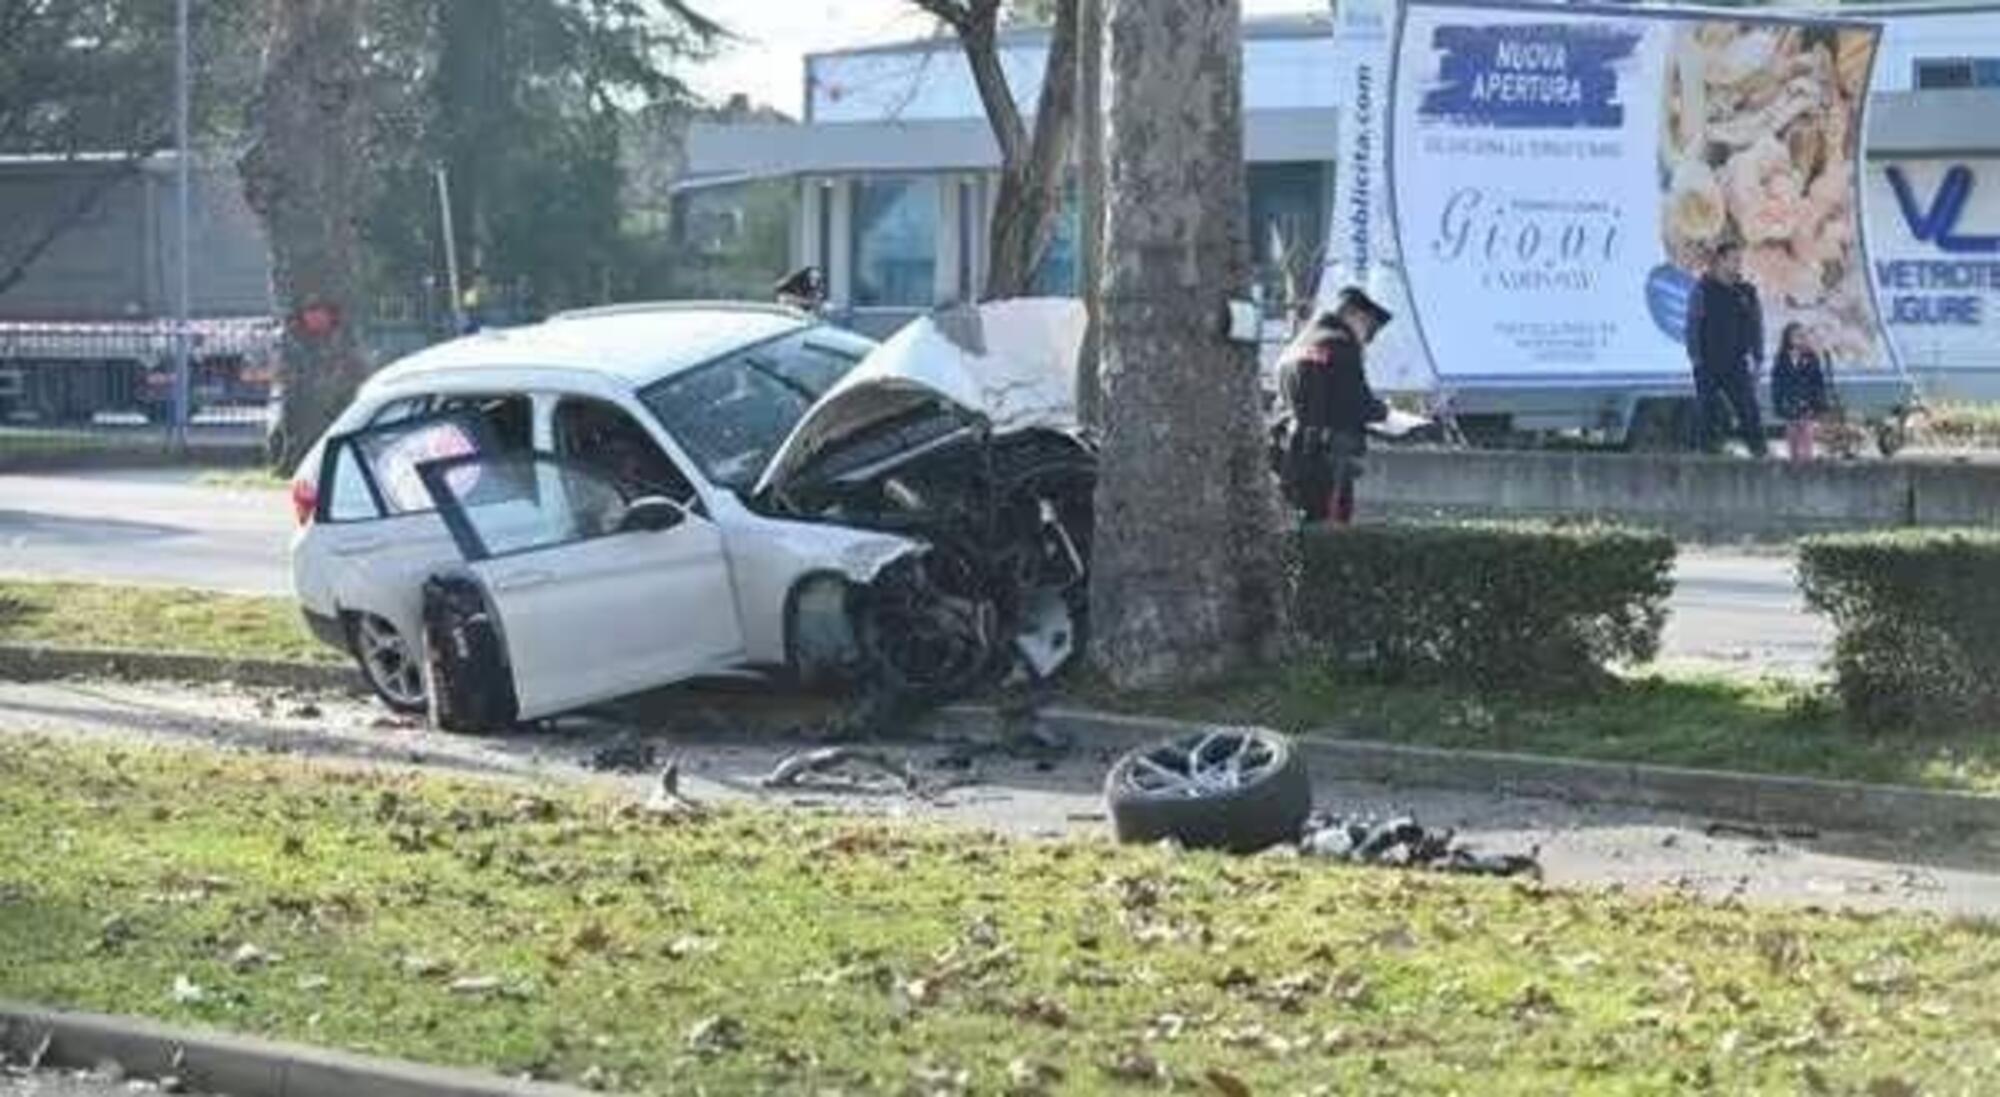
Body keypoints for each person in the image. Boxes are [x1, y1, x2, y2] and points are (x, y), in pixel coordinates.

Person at [1278, 287, 1392, 527]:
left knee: (1294, 531)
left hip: (1290, 456)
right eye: (1369, 332)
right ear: (1355, 317)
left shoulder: (1297, 345)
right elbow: (1358, 403)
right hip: (1328, 463)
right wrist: (1386, 412)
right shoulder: (1341, 346)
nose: (1367, 341)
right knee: (1330, 533)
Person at [1683, 241, 1769, 457]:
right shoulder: (1702, 289)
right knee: (1707, 412)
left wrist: (1758, 357)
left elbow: (1755, 324)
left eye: (1739, 260)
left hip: (1737, 362)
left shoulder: (1746, 292)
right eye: (1733, 260)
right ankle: (1708, 456)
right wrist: (1696, 359)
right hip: (1708, 361)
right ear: (1720, 261)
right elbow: (1693, 324)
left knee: (1749, 409)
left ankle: (1760, 453)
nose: (1737, 265)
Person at [1770, 322, 1831, 464]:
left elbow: (1817, 381)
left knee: (1807, 434)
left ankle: (1807, 464)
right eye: (1797, 336)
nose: (1801, 339)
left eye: (1803, 336)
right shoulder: (1782, 358)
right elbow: (1777, 383)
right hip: (1790, 403)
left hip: (1807, 403)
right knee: (1792, 435)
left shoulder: (1811, 357)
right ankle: (1794, 464)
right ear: (1788, 338)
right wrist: (1779, 402)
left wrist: (1819, 402)